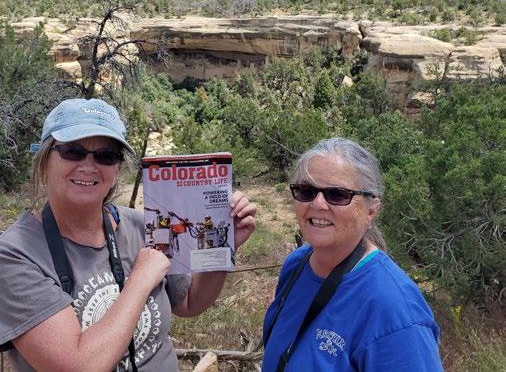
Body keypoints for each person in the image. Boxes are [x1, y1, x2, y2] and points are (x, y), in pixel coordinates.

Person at [0, 98, 256, 372]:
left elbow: (189, 302)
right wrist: (140, 279)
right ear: (44, 160)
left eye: (106, 155)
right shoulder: (15, 254)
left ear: (117, 168)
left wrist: (222, 249)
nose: (88, 165)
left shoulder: (142, 226)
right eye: (72, 151)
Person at [262, 137, 443, 371]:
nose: (317, 204)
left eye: (337, 194)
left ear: (371, 211)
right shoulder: (296, 265)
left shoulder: (393, 310)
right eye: (306, 191)